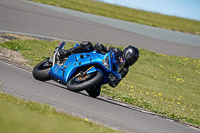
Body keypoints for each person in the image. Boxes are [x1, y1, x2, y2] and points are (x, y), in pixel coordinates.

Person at [59, 41, 139, 97]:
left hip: (103, 75)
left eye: (134, 60)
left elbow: (114, 83)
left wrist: (113, 80)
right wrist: (101, 47)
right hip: (97, 60)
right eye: (132, 58)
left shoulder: (125, 69)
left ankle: (83, 81)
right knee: (88, 45)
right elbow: (106, 49)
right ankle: (65, 53)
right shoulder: (117, 51)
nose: (132, 61)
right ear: (127, 53)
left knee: (95, 93)